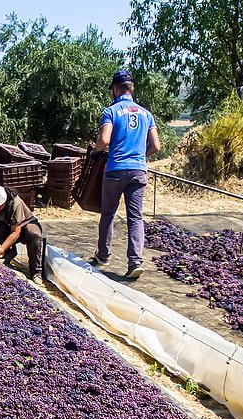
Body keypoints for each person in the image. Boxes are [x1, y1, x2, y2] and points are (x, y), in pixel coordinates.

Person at [93, 70, 161, 279]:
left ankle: (103, 256)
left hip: (115, 169)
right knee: (135, 217)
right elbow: (156, 146)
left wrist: (96, 151)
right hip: (138, 171)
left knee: (108, 214)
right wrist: (140, 155)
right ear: (132, 89)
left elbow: (105, 140)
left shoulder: (111, 111)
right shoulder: (146, 114)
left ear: (115, 89)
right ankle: (135, 261)